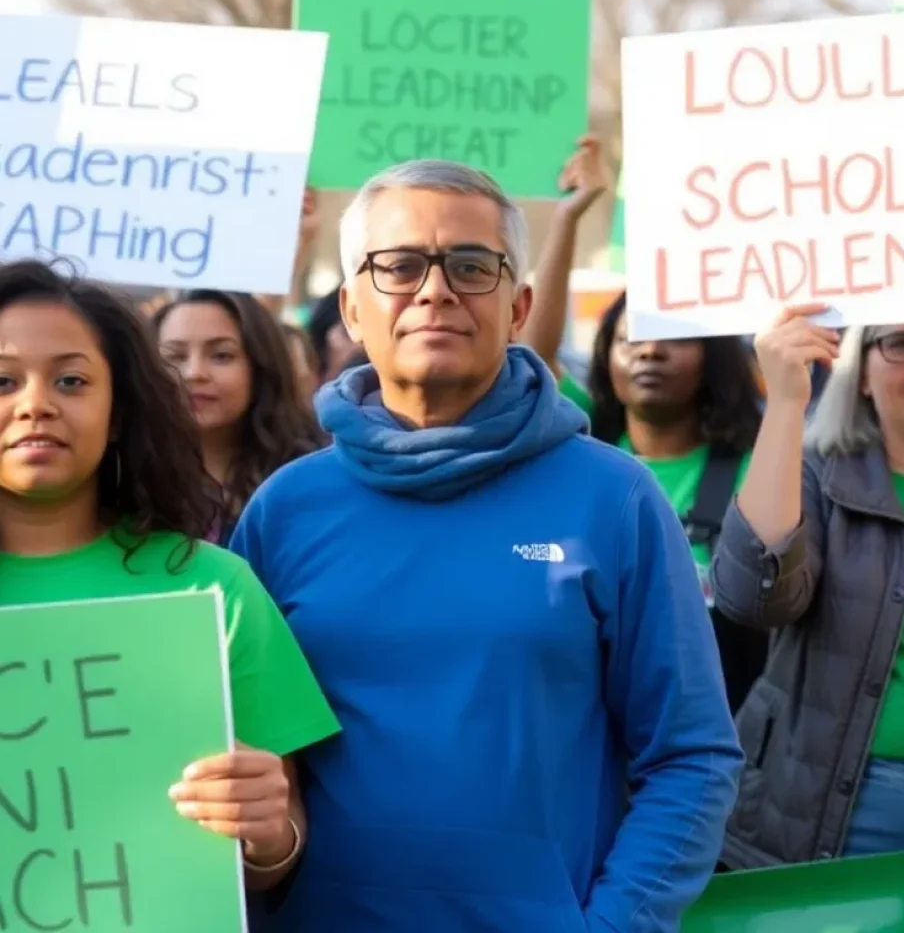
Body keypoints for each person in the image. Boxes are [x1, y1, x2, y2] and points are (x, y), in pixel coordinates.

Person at [230, 159, 742, 931]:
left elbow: (692, 756)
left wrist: (612, 925)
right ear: (352, 307)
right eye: (399, 266)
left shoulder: (616, 499)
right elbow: (250, 769)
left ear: (518, 305)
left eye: (471, 266)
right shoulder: (284, 511)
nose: (435, 289)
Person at [0, 259, 339, 890]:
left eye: (71, 380)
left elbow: (275, 848)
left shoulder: (215, 589)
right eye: (2, 381)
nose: (36, 405)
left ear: (120, 411)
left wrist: (268, 833)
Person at [712, 306, 904, 866]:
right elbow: (750, 597)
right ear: (859, 368)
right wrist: (785, 404)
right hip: (843, 809)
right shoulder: (814, 474)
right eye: (901, 342)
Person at [523, 137, 767, 712]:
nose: (649, 352)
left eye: (673, 338)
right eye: (630, 338)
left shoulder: (753, 469)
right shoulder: (582, 445)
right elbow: (532, 355)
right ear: (606, 354)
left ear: (713, 357)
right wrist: (567, 218)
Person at [153, 291, 325, 545]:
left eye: (221, 355)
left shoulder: (310, 480)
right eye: (175, 357)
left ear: (261, 366)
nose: (194, 373)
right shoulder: (121, 483)